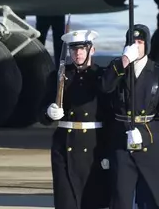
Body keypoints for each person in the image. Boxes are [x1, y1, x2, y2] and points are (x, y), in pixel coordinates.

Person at [101, 24, 159, 209]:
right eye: (132, 43)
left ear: (147, 45)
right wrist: (124, 61)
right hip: (121, 142)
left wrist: (148, 135)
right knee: (120, 199)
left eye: (140, 42)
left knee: (149, 200)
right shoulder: (118, 68)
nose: (136, 46)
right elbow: (105, 88)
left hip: (151, 144)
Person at [40, 29, 111, 209]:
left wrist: (108, 151)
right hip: (64, 145)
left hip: (93, 146)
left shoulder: (101, 77)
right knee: (66, 202)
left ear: (91, 50)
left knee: (92, 201)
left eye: (82, 49)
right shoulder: (59, 76)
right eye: (74, 50)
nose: (77, 53)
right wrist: (49, 112)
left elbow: (110, 117)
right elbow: (40, 114)